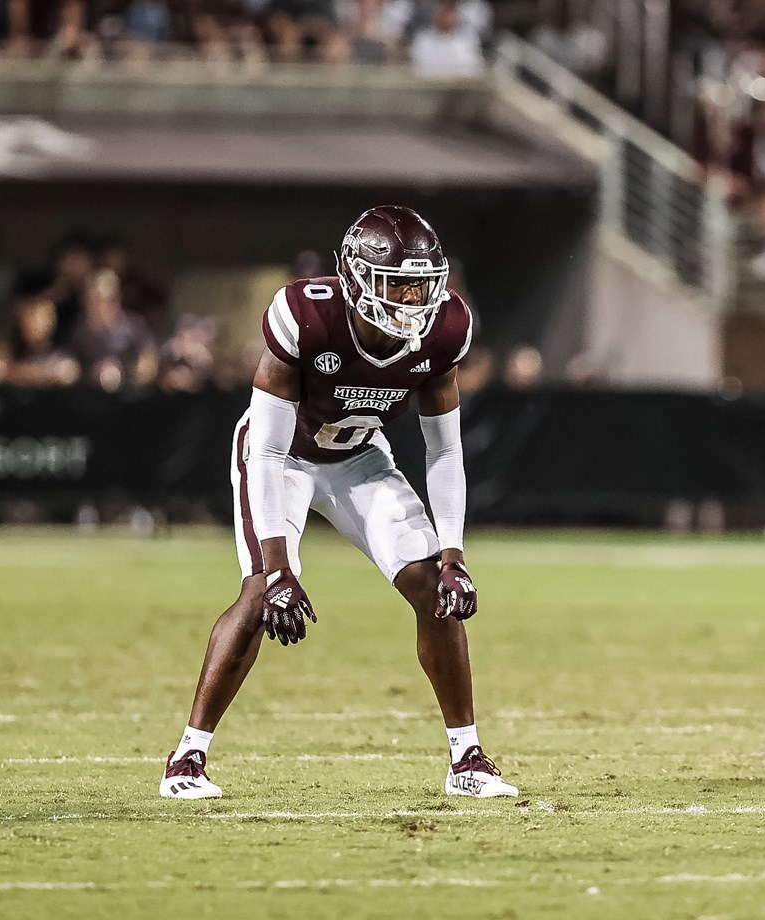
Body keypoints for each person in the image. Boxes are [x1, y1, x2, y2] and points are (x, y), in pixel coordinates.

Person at [160, 206, 516, 801]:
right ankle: (186, 759)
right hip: (283, 458)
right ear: (357, 280)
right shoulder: (306, 316)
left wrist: (454, 555)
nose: (413, 300)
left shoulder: (443, 329)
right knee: (258, 594)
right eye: (398, 283)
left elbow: (445, 453)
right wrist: (276, 568)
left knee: (436, 589)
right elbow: (269, 453)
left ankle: (467, 759)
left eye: (422, 284)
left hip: (357, 457)